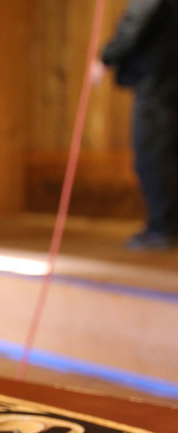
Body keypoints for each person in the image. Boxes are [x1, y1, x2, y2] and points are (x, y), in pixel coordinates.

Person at [95, 0, 178, 250]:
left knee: (153, 154)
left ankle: (164, 228)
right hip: (169, 78)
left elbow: (138, 19)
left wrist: (106, 57)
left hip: (158, 81)